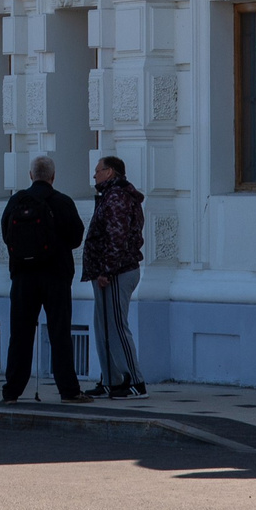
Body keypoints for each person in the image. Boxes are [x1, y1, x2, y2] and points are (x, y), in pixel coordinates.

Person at [0, 154, 86, 403]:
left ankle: (12, 391)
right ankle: (68, 390)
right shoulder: (62, 202)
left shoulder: (15, 201)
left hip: (22, 279)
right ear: (53, 177)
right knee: (60, 334)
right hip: (56, 277)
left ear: (30, 176)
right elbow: (76, 238)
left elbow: (7, 235)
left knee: (20, 335)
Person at [82, 155, 148, 398]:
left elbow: (116, 237)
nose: (94, 175)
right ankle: (111, 379)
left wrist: (106, 270)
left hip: (117, 273)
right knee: (104, 327)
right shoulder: (110, 196)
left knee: (118, 326)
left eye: (98, 170)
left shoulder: (118, 196)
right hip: (108, 272)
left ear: (110, 172)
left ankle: (136, 383)